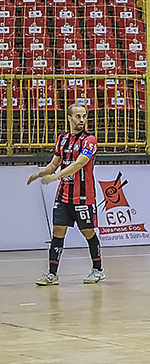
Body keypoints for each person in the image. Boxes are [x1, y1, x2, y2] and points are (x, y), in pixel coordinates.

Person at [28, 104, 104, 286]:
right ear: (69, 118)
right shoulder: (62, 139)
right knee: (57, 232)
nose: (81, 120)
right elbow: (54, 164)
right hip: (63, 195)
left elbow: (79, 164)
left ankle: (98, 270)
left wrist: (55, 177)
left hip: (84, 196)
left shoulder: (90, 140)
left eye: (84, 116)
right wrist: (39, 174)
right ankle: (52, 274)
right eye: (77, 116)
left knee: (88, 232)